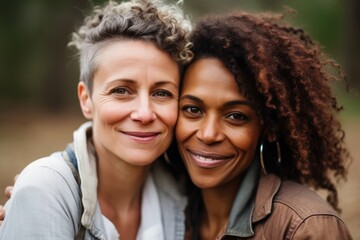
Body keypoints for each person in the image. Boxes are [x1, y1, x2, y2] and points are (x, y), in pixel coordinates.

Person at [0, 0, 192, 239]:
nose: (144, 114)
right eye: (121, 90)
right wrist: (37, 191)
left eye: (162, 93)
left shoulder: (188, 197)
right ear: (86, 100)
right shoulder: (46, 189)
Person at [172, 11, 353, 239]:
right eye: (193, 110)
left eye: (236, 116)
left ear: (267, 127)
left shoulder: (305, 227)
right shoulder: (169, 212)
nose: (208, 134)